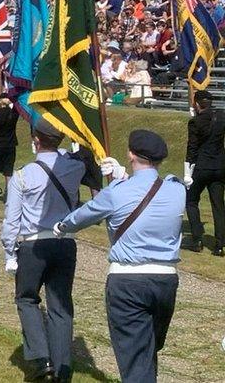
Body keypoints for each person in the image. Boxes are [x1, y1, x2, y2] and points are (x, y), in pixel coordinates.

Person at [55, 130, 185, 383]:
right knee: (148, 350)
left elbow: (84, 215)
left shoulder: (116, 192)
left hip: (128, 279)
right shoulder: (176, 189)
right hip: (166, 279)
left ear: (130, 154)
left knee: (135, 355)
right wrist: (123, 177)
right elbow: (149, 193)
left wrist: (61, 226)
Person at [1, 119, 85, 381]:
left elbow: (11, 219)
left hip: (34, 243)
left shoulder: (23, 174)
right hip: (64, 241)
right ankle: (62, 367)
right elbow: (80, 157)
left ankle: (41, 357)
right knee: (60, 305)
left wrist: (8, 251)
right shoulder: (75, 168)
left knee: (26, 298)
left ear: (36, 140)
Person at [184, 89, 225, 255]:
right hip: (219, 166)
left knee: (191, 200)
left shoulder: (195, 122)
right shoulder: (222, 117)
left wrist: (187, 172)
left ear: (197, 103)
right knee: (218, 205)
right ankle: (220, 244)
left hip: (201, 166)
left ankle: (197, 239)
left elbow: (192, 148)